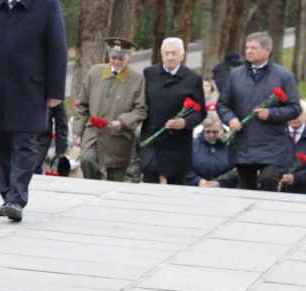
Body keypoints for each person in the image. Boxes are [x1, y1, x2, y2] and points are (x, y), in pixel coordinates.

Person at [0, 0, 66, 221]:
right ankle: (8, 197)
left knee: (26, 144)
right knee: (1, 144)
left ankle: (17, 198)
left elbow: (58, 51)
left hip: (31, 90)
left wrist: (56, 92)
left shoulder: (47, 6)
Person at [216, 32, 300, 191]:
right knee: (247, 189)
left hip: (271, 144)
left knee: (268, 179)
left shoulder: (284, 76)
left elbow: (294, 108)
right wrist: (231, 119)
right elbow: (222, 104)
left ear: (267, 50)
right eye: (247, 47)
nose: (248, 51)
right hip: (243, 143)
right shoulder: (235, 75)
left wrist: (270, 114)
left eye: (254, 48)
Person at [71, 38, 147, 181]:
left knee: (115, 178)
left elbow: (140, 110)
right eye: (113, 57)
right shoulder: (95, 72)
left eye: (121, 58)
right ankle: (93, 188)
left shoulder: (137, 80)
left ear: (128, 57)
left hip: (119, 137)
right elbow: (82, 104)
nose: (117, 62)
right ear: (108, 55)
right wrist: (77, 131)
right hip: (93, 132)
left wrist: (123, 121)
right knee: (87, 160)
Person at [140, 37, 205, 184]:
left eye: (174, 53)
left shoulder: (193, 78)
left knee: (176, 184)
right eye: (166, 53)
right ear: (161, 55)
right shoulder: (149, 73)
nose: (170, 57)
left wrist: (184, 122)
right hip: (151, 137)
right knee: (150, 172)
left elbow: (200, 112)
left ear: (182, 55)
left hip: (177, 142)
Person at [185, 115, 234, 187]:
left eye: (215, 132)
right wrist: (198, 181)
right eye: (208, 132)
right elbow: (184, 168)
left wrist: (221, 183)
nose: (211, 135)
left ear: (222, 130)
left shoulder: (232, 145)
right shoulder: (193, 145)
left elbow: (238, 171)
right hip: (197, 188)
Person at [278, 102, 306, 194]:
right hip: (278, 191)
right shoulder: (277, 135)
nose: (295, 117)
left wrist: (296, 178)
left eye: (298, 114)